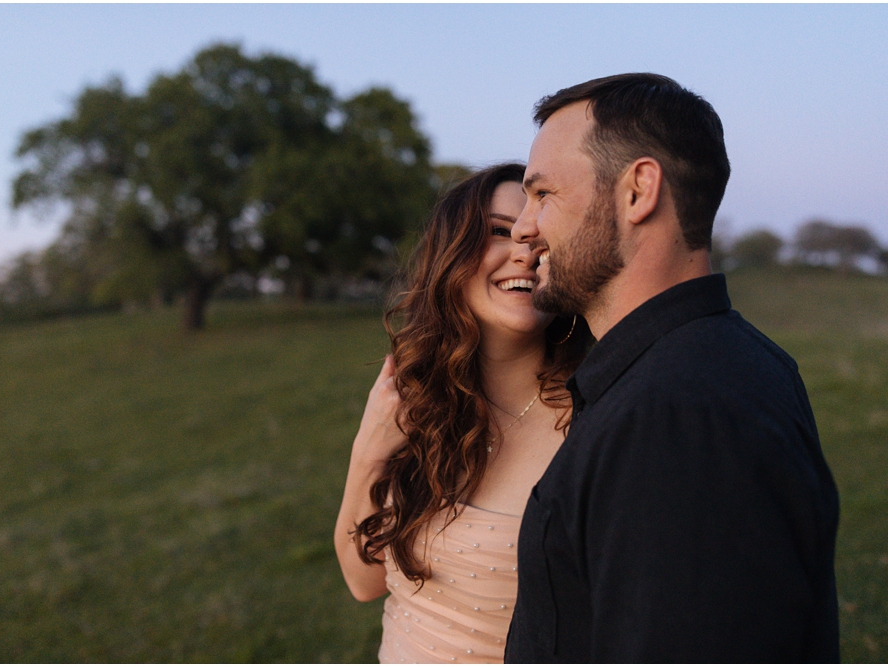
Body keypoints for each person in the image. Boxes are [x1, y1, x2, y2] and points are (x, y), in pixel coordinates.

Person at [504, 74, 841, 662]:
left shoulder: (679, 417)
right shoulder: (699, 369)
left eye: (543, 194)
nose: (522, 227)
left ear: (638, 190)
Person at [333, 163, 590, 663]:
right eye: (499, 231)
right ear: (451, 255)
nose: (526, 251)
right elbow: (363, 581)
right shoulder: (420, 401)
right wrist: (369, 452)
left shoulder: (595, 418)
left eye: (544, 237)